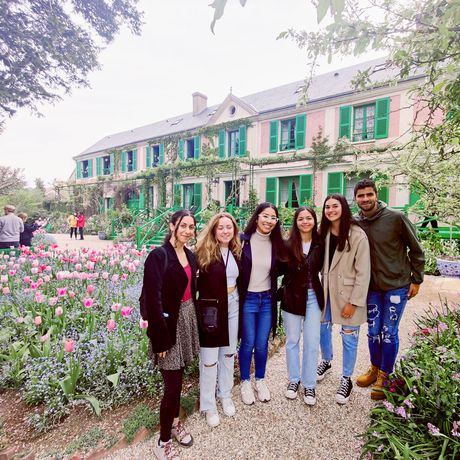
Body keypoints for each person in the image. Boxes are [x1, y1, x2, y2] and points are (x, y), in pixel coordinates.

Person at [354, 178, 424, 400]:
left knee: (389, 333)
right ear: (356, 199)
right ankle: (374, 368)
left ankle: (385, 374)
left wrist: (417, 280)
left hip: (396, 286)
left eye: (369, 194)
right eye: (361, 195)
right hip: (371, 288)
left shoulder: (396, 217)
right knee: (373, 332)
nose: (365, 199)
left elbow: (416, 249)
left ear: (376, 194)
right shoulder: (356, 222)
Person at [142, 210, 200, 460]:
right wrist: (160, 339)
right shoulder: (159, 256)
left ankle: (175, 422)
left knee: (179, 380)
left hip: (187, 318)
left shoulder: (190, 255)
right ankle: (163, 440)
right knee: (173, 386)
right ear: (172, 226)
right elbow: (151, 299)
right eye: (183, 225)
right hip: (168, 325)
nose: (188, 230)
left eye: (192, 226)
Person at [317, 194, 371, 405]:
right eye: (327, 207)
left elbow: (363, 273)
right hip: (326, 292)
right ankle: (326, 360)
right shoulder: (323, 233)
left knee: (349, 337)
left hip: (348, 295)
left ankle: (346, 377)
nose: (330, 210)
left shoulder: (357, 235)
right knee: (322, 328)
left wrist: (354, 302)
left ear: (344, 208)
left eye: (335, 206)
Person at [195, 212, 242, 427]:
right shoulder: (203, 253)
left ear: (234, 230)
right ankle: (208, 404)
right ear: (214, 230)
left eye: (229, 227)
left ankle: (225, 394)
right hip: (211, 309)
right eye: (221, 227)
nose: (225, 231)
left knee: (229, 353)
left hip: (233, 304)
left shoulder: (236, 251)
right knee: (210, 358)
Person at [239, 202, 286, 405]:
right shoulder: (242, 241)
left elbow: (285, 268)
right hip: (248, 298)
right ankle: (244, 382)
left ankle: (260, 379)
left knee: (261, 343)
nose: (269, 220)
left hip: (267, 299)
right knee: (248, 342)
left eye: (273, 218)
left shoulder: (277, 244)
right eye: (265, 216)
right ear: (257, 217)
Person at [280, 207, 324, 405]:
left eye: (309, 218)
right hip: (292, 296)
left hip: (314, 295)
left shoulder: (321, 244)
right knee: (292, 340)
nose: (305, 222)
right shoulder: (288, 244)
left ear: (314, 221)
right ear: (296, 222)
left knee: (312, 341)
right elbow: (277, 269)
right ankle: (293, 380)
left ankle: (309, 385)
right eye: (301, 219)